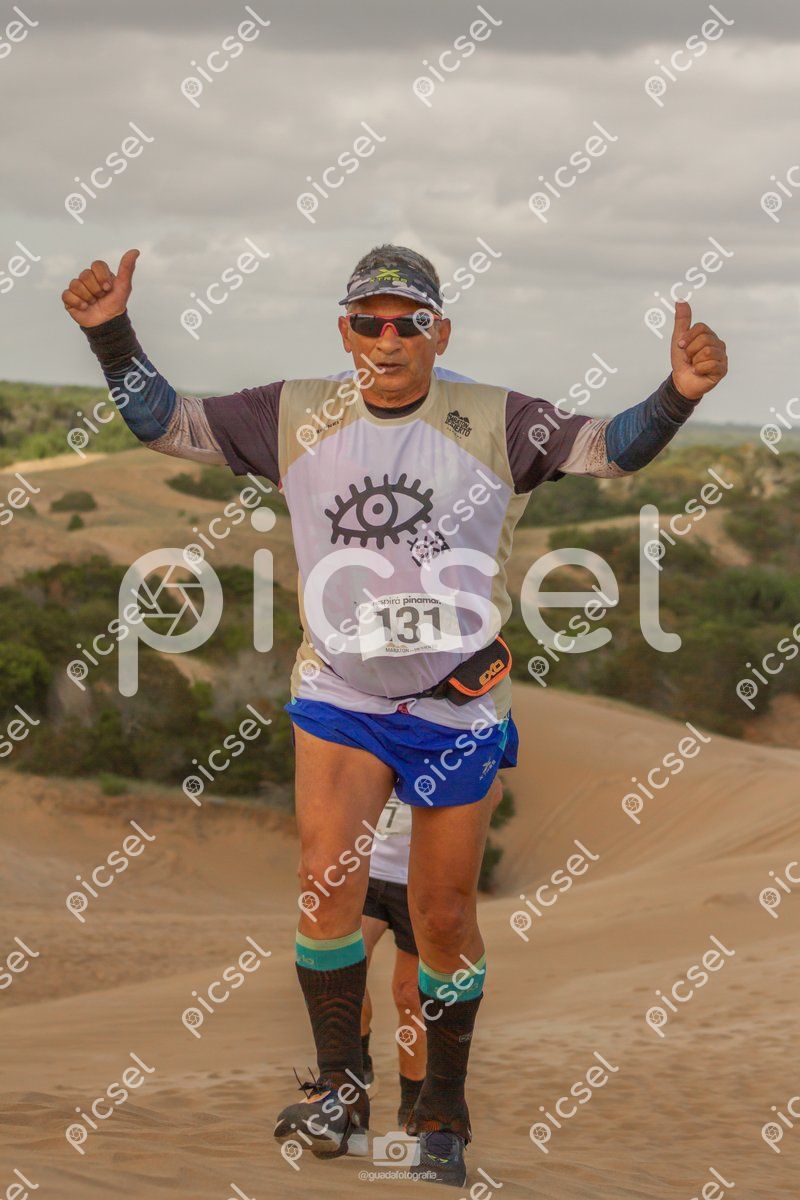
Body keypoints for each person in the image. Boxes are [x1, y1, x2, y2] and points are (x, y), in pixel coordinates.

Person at [63, 243, 727, 1186]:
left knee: (442, 917)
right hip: (342, 693)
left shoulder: (495, 418)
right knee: (322, 886)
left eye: (408, 321)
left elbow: (609, 448)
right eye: (367, 322)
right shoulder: (294, 411)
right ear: (344, 332)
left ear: (439, 331)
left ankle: (442, 1113)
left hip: (454, 705)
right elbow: (164, 423)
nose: (388, 338)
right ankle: (341, 1090)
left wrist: (679, 393)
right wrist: (110, 333)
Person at [360, 780, 502, 1132]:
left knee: (410, 996)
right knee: (347, 970)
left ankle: (412, 1108)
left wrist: (448, 833)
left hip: (420, 881)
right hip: (366, 870)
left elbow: (492, 789)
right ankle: (355, 1066)